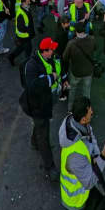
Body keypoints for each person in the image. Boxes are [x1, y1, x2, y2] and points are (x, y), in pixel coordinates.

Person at [58, 97, 105, 210]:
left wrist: (96, 155)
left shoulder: (74, 121)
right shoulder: (75, 155)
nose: (92, 112)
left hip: (82, 188)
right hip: (75, 202)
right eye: (90, 112)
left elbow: (91, 137)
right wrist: (103, 155)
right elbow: (89, 182)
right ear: (83, 119)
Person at [25, 37, 66, 181]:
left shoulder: (53, 58)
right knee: (44, 134)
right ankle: (50, 167)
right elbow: (32, 86)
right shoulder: (32, 66)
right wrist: (51, 78)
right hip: (38, 105)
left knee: (40, 127)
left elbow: (61, 68)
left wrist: (64, 80)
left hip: (49, 100)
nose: (54, 51)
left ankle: (34, 141)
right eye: (51, 49)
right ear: (43, 52)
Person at [63, 20, 96, 110]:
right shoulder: (92, 39)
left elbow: (65, 57)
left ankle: (70, 108)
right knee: (86, 92)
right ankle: (87, 110)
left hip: (76, 72)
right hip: (88, 71)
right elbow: (95, 48)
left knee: (72, 90)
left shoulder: (71, 43)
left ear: (76, 31)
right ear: (85, 30)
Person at [8, 0, 35, 66]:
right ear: (23, 3)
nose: (29, 3)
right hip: (24, 35)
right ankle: (27, 64)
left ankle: (11, 56)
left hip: (25, 34)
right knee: (28, 49)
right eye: (28, 1)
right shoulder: (21, 13)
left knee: (21, 47)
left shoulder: (26, 8)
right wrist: (29, 31)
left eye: (29, 1)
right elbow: (21, 28)